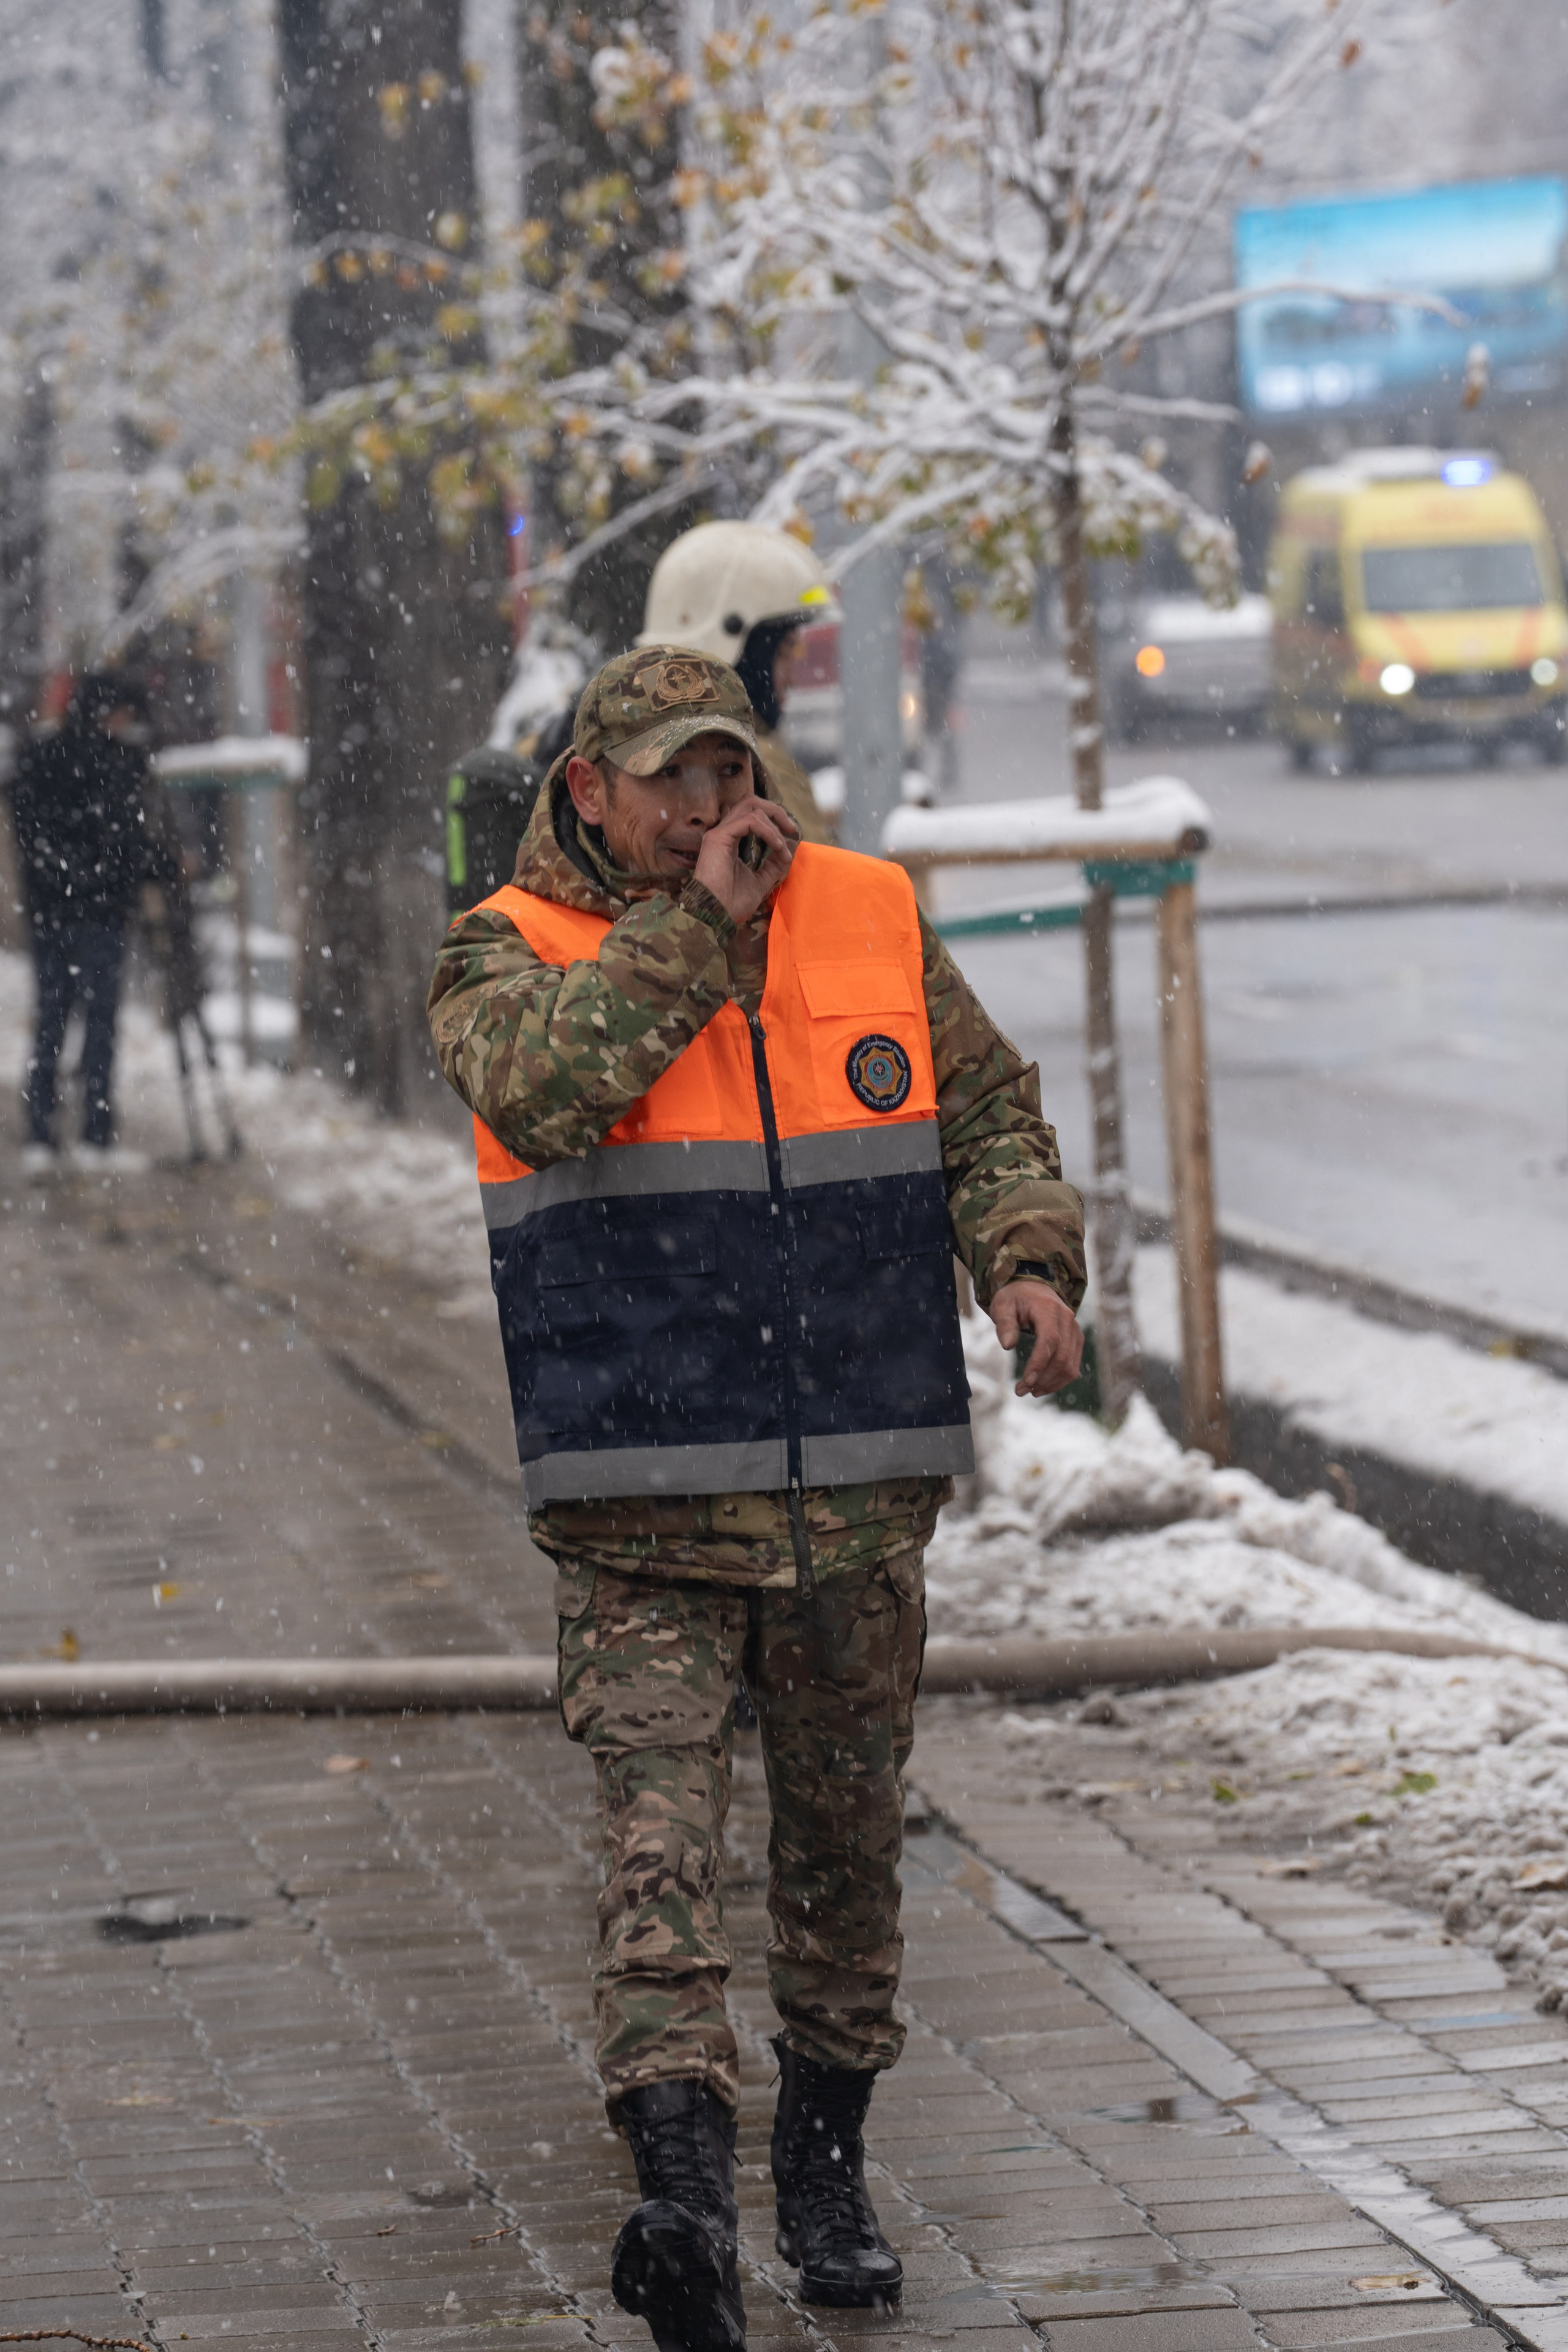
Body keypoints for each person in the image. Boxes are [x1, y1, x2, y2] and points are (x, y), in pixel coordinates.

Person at [428, 646, 1086, 2352]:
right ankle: (681, 2202)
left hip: (858, 1493)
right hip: (642, 1506)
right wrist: (700, 933)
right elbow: (543, 1087)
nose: (717, 808)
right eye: (675, 782)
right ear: (591, 790)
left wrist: (1023, 1256)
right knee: (661, 1864)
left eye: (732, 771)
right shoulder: (508, 948)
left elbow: (989, 1109)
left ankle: (825, 2172)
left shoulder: (864, 910)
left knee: (844, 1865)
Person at [10, 671, 175, 1171]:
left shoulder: (38, 760)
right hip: (100, 915)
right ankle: (94, 1136)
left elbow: (27, 836)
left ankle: (41, 1135)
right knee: (99, 1023)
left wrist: (55, 881)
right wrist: (166, 867)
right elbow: (126, 844)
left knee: (51, 1020)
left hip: (49, 914)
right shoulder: (117, 764)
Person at [638, 521, 838, 844]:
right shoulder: (757, 769)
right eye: (785, 651)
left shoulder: (630, 758)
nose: (791, 681)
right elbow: (823, 888)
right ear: (736, 650)